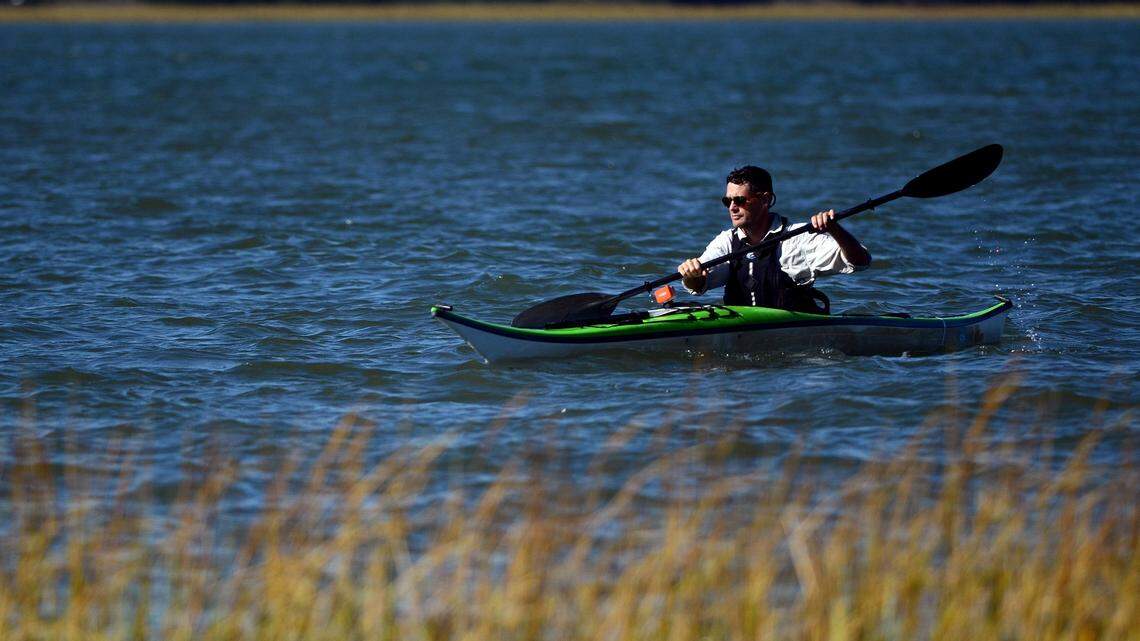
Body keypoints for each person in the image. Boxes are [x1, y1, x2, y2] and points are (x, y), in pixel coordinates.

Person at [677, 165, 871, 314]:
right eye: (727, 201)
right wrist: (692, 275)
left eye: (740, 200)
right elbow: (700, 285)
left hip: (795, 336)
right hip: (743, 335)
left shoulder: (798, 239)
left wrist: (835, 229)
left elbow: (860, 261)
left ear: (765, 200)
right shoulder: (726, 241)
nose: (732, 207)